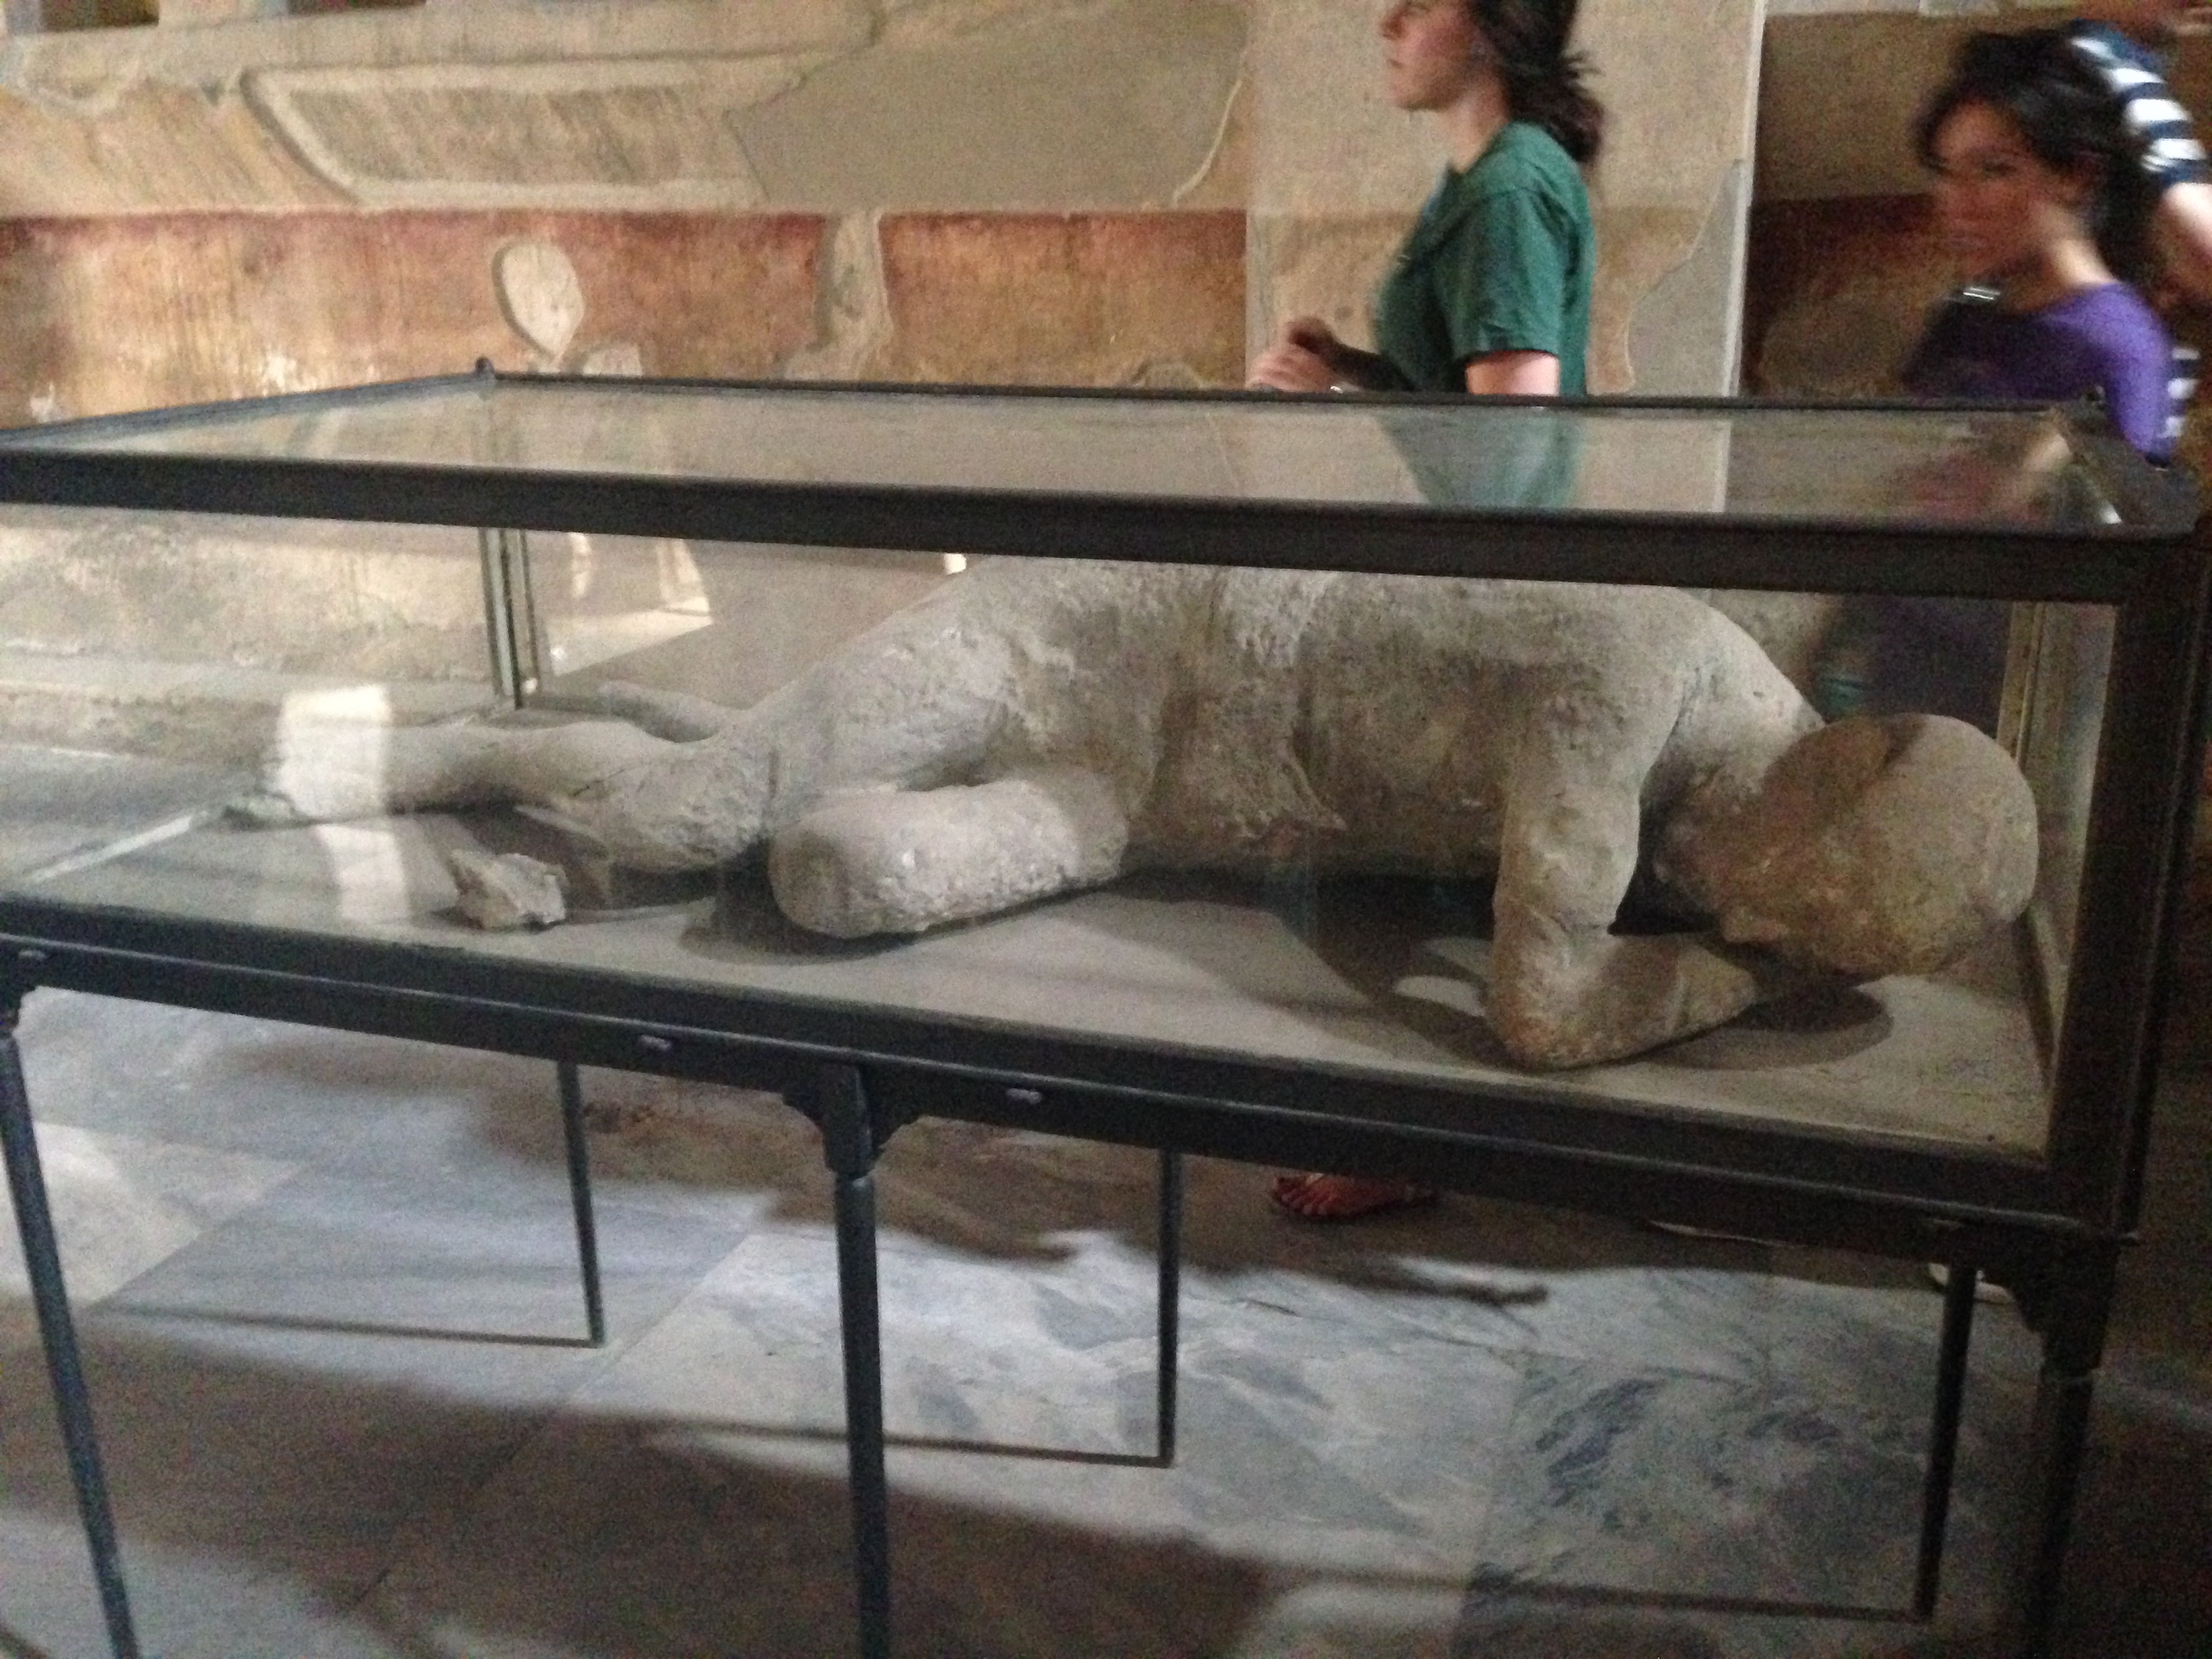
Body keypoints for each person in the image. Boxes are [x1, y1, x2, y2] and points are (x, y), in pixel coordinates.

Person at [1818, 28, 2183, 735]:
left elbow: (2103, 592)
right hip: (1898, 683)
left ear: (2075, 176)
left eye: (1993, 170)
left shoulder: (2115, 347)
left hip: (2005, 713)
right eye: (1945, 171)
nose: (1956, 202)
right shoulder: (1967, 316)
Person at [1246, 0, 1601, 401]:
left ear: (1490, 31)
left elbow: (1515, 426)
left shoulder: (1508, 191)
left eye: (1420, 7)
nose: (1389, 24)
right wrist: (1346, 365)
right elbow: (1447, 392)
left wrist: (1328, 392)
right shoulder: (1481, 177)